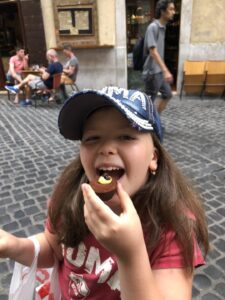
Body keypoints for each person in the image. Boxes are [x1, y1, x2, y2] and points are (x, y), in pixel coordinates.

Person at [0, 87, 209, 299]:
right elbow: (54, 249)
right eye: (92, 138)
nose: (106, 148)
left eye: (126, 137)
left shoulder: (172, 225)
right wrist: (12, 245)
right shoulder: (70, 197)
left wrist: (130, 254)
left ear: (153, 158)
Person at [142, 0, 175, 114]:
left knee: (167, 94)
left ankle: (155, 121)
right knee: (149, 102)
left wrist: (163, 70)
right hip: (152, 72)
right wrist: (166, 71)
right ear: (162, 11)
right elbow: (153, 51)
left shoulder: (162, 27)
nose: (173, 12)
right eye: (171, 9)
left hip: (159, 71)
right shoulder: (153, 27)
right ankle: (146, 126)